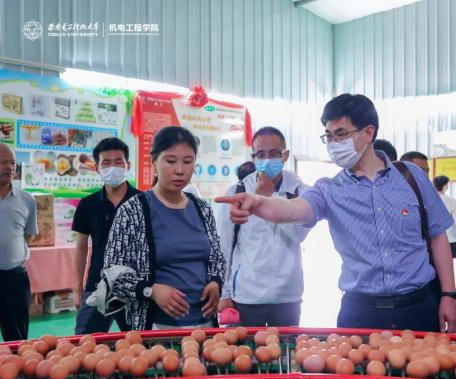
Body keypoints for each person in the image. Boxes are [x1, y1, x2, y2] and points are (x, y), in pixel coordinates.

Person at [216, 94, 456, 332]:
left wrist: (448, 294)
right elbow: (293, 209)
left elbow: (438, 236)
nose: (333, 144)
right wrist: (259, 202)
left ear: (368, 132)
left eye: (341, 134)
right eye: (329, 136)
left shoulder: (411, 176)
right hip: (361, 311)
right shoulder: (329, 189)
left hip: (418, 305)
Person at [89, 126, 225, 330]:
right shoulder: (133, 210)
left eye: (188, 161)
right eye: (170, 161)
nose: (179, 170)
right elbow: (112, 276)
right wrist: (150, 290)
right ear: (153, 162)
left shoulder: (202, 208)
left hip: (204, 323)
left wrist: (215, 282)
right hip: (156, 325)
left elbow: (217, 257)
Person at [216, 127, 310, 326]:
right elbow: (224, 245)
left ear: (285, 156)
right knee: (247, 346)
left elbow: (299, 234)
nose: (267, 160)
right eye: (260, 154)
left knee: (286, 346)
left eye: (274, 154)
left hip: (287, 295)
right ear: (253, 157)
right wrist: (223, 293)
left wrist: (269, 197)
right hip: (247, 294)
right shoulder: (237, 192)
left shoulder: (300, 191)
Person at [71, 138, 140, 334]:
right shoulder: (87, 204)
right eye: (106, 163)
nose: (113, 168)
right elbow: (81, 248)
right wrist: (78, 288)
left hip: (136, 287)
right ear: (97, 168)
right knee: (85, 343)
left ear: (128, 165)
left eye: (118, 162)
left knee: (141, 343)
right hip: (97, 286)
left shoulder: (143, 201)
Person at [0, 143, 37, 341]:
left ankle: (17, 363)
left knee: (17, 338)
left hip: (14, 279)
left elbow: (28, 235)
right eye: (4, 162)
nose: (10, 167)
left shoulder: (27, 199)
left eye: (13, 163)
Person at [433, 176, 456, 259]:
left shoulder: (432, 200)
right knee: (450, 260)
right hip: (450, 236)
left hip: (436, 235)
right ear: (444, 185)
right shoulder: (451, 200)